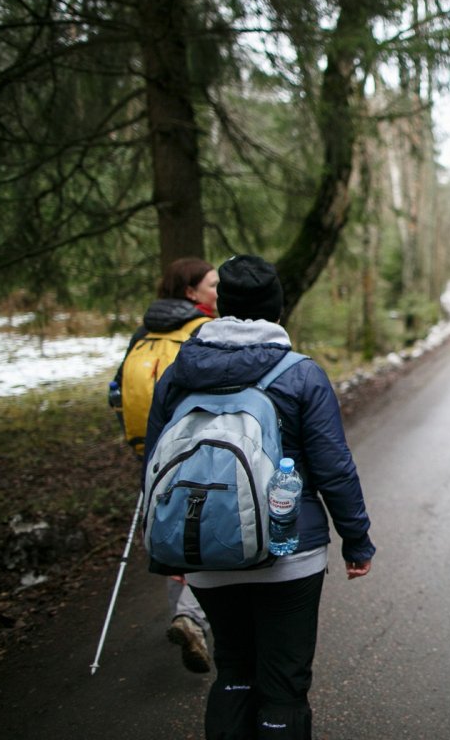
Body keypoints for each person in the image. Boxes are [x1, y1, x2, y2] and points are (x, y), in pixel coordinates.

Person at [144, 254, 375, 739]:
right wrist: (356, 540)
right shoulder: (300, 374)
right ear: (277, 309)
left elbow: (153, 464)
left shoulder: (180, 371)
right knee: (283, 685)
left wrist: (170, 549)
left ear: (221, 306)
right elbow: (334, 468)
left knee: (233, 673)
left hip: (207, 552)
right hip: (290, 554)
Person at [113, 257, 219, 673]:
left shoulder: (145, 331)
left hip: (150, 446)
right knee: (203, 522)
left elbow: (116, 390)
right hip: (195, 443)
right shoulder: (203, 331)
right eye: (212, 286)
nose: (218, 292)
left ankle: (183, 610)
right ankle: (192, 615)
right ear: (191, 293)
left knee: (168, 521)